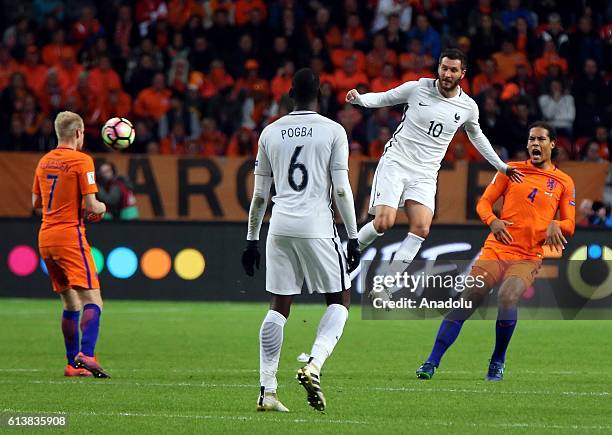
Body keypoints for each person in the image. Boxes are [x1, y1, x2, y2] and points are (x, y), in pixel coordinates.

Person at [345, 48, 523, 295]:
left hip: (426, 173)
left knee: (421, 228)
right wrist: (360, 99)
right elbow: (386, 98)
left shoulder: (468, 107)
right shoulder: (417, 88)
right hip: (397, 161)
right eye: (444, 68)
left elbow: (477, 136)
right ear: (438, 68)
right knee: (384, 223)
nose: (447, 74)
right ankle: (348, 251)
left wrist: (501, 166)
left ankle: (384, 287)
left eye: (453, 70)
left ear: (463, 73)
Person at [416, 121, 575, 381]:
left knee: (508, 297)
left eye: (541, 139)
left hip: (527, 256)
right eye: (531, 139)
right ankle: (431, 361)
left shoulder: (564, 182)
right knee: (469, 297)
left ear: (553, 144)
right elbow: (484, 204)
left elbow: (570, 224)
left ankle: (498, 360)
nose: (535, 143)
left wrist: (557, 224)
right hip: (496, 249)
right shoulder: (510, 171)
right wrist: (493, 221)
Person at [241, 68, 360, 412]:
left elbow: (260, 196)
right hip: (318, 226)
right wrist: (352, 236)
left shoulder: (270, 132)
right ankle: (314, 364)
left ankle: (267, 391)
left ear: (290, 93)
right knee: (340, 300)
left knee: (279, 306)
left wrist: (251, 240)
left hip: (279, 226)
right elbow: (340, 188)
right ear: (320, 95)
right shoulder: (333, 131)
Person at [31, 111, 110, 378]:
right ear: (78, 133)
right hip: (69, 236)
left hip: (45, 237)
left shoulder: (44, 162)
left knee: (70, 303)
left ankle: (71, 365)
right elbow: (92, 205)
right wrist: (102, 206)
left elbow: (35, 204)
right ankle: (86, 354)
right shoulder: (82, 160)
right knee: (93, 299)